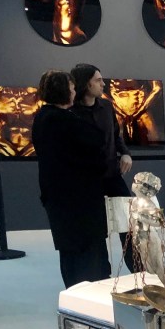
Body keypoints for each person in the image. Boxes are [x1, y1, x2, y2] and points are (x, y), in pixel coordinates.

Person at [32, 70, 108, 287]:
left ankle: (76, 292)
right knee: (86, 256)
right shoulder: (62, 120)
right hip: (78, 201)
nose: (74, 92)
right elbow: (95, 141)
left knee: (70, 254)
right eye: (72, 88)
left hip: (60, 198)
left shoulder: (43, 117)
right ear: (63, 91)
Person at [70, 63, 136, 271]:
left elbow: (115, 134)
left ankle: (137, 269)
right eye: (98, 80)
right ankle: (101, 273)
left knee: (128, 221)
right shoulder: (71, 113)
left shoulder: (106, 106)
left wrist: (125, 153)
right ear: (86, 84)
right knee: (96, 228)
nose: (103, 84)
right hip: (88, 181)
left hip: (112, 174)